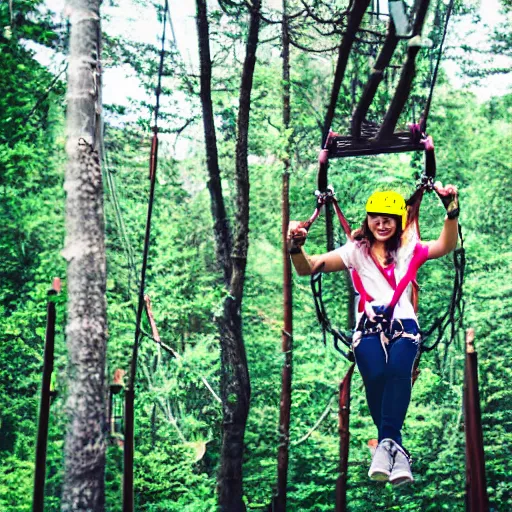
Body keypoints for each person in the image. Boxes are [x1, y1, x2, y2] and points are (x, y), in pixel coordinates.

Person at [287, 183, 459, 486]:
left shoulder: (410, 250)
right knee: (376, 375)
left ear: (399, 223)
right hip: (367, 329)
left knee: (397, 373)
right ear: (368, 221)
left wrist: (451, 212)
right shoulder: (356, 252)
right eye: (376, 218)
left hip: (404, 326)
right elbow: (308, 268)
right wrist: (295, 248)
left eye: (389, 219)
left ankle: (385, 446)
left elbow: (445, 246)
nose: (382, 224)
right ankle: (395, 448)